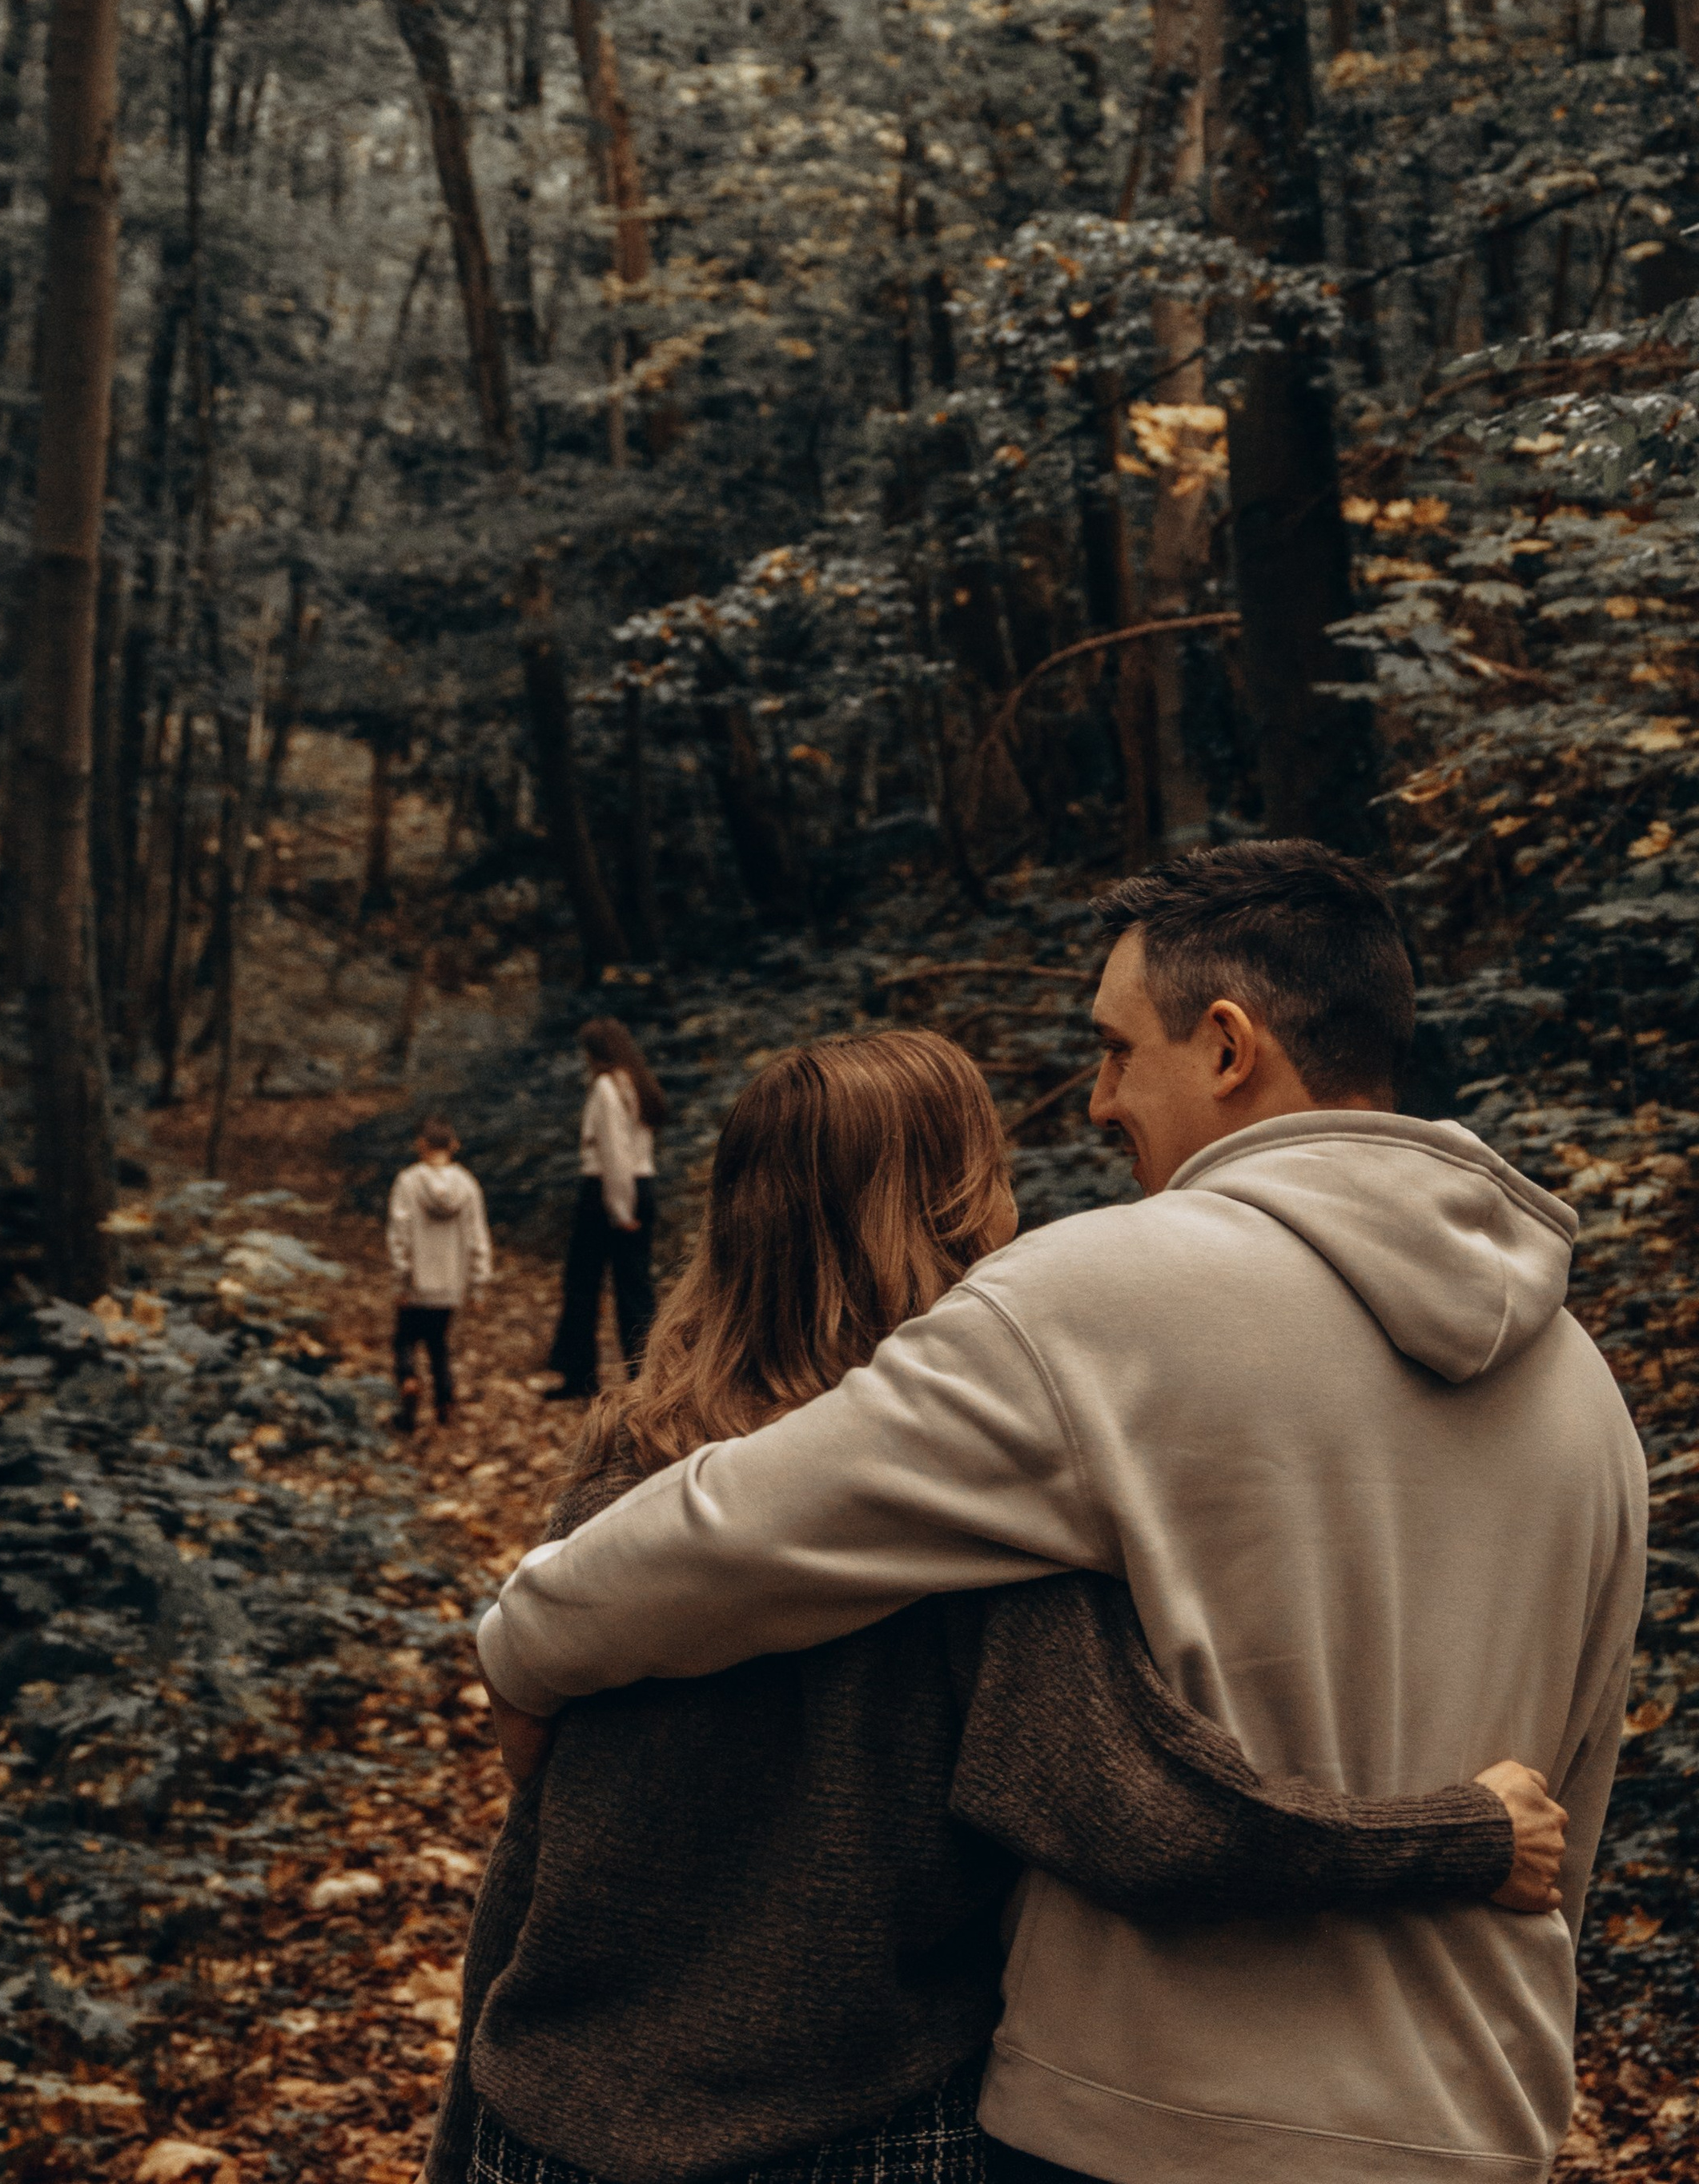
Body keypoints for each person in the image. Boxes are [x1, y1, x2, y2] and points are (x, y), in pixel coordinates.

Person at [478, 843, 1649, 2184]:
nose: (1093, 1102)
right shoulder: (1583, 1387)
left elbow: (743, 1532)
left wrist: (525, 1636)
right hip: (1479, 2118)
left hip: (1145, 2121)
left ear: (1226, 1046)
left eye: (1112, 1050)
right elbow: (1578, 1797)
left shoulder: (1099, 1301)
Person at [542, 1018, 663, 1402]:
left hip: (609, 1192)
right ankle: (647, 1376)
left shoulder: (608, 1088)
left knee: (583, 1283)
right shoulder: (638, 1084)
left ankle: (582, 1375)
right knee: (635, 1286)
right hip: (638, 1186)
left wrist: (619, 1209)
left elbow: (614, 1154)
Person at [386, 1115, 492, 1433]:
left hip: (417, 1284)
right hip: (450, 1284)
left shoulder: (407, 1182)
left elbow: (399, 1234)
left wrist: (401, 1279)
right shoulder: (468, 1185)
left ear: (421, 1146)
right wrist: (478, 1285)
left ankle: (408, 1380)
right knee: (438, 1344)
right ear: (453, 1146)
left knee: (404, 1340)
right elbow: (477, 1237)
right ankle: (445, 1402)